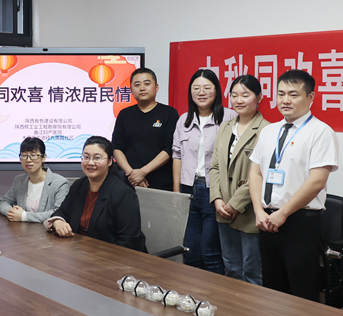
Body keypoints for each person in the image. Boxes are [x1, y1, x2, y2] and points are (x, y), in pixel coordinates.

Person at [249, 69, 338, 301]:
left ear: (310, 97)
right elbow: (255, 173)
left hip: (301, 223)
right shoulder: (269, 131)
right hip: (268, 221)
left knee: (302, 291)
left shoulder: (320, 132)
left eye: (293, 94)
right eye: (281, 94)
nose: (285, 100)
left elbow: (317, 182)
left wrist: (284, 213)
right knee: (271, 289)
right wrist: (258, 210)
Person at [172, 69, 236, 274]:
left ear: (216, 91)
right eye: (196, 88)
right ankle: (193, 292)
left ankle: (213, 293)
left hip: (214, 191)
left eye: (207, 88)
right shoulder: (184, 120)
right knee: (190, 250)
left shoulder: (230, 117)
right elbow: (177, 155)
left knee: (210, 252)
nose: (201, 92)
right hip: (188, 189)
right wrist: (177, 192)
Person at [209, 75, 269, 285]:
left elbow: (260, 173)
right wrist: (217, 199)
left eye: (245, 95)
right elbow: (215, 166)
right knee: (231, 268)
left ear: (259, 97)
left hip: (249, 211)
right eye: (234, 95)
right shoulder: (226, 127)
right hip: (223, 210)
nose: (239, 100)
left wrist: (235, 204)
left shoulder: (266, 130)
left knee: (252, 271)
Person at [44, 136, 147, 252]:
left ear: (110, 161)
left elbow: (129, 241)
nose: (90, 163)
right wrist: (58, 222)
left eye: (97, 158)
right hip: (80, 253)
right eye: (86, 157)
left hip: (114, 256)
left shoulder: (123, 194)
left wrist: (97, 256)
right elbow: (61, 212)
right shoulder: (79, 185)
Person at [112, 67, 179, 191]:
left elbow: (169, 149)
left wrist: (143, 172)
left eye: (147, 84)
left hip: (161, 183)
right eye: (137, 85)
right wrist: (132, 174)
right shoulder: (125, 114)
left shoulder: (169, 113)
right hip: (128, 182)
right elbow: (116, 148)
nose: (142, 88)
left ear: (156, 87)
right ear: (131, 90)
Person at [0, 137, 69, 222]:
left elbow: (58, 212)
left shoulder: (60, 183)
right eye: (24, 155)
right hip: (21, 229)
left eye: (33, 155)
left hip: (46, 229)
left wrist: (24, 216)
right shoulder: (19, 180)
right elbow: (4, 202)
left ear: (43, 157)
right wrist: (12, 213)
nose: (28, 160)